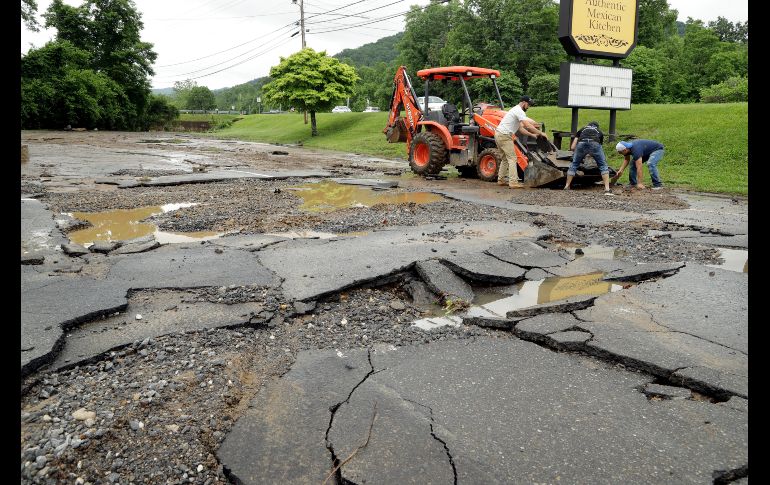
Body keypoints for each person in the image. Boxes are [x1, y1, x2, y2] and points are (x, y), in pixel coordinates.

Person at [494, 95, 547, 188]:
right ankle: (513, 182)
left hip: (498, 134)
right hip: (505, 136)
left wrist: (532, 135)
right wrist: (541, 133)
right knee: (512, 158)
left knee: (505, 158)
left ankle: (501, 180)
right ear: (524, 103)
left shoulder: (515, 110)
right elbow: (528, 125)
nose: (528, 107)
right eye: (528, 105)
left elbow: (521, 128)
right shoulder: (519, 111)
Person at [563, 121, 614, 195]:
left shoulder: (582, 129)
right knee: (603, 165)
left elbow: (573, 146)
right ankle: (607, 189)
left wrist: (576, 152)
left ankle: (567, 186)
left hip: (581, 143)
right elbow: (599, 146)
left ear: (588, 125)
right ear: (597, 126)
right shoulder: (599, 131)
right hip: (595, 143)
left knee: (574, 164)